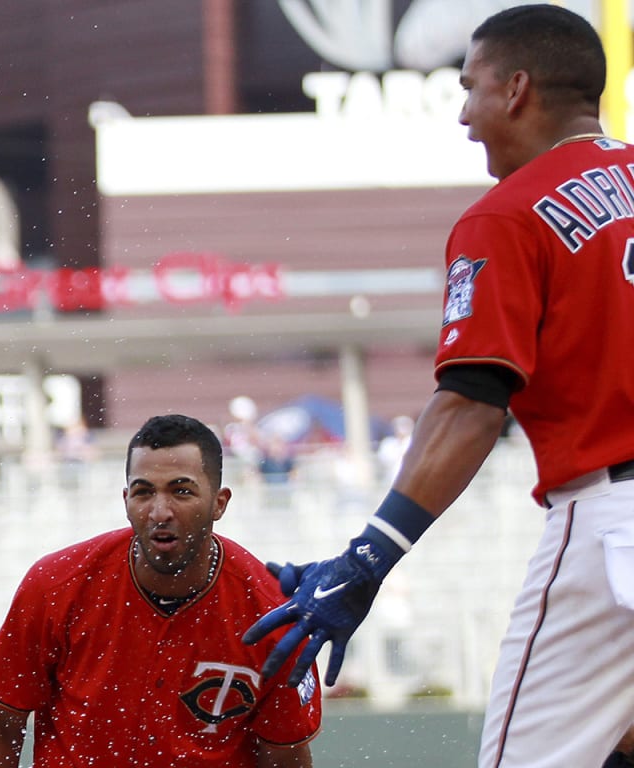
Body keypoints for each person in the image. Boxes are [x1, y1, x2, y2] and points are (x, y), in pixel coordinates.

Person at [242, 7, 634, 767]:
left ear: (516, 88)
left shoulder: (510, 214)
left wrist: (366, 560)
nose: (463, 113)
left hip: (611, 514)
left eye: (471, 87)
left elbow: (469, 406)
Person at [0, 415, 320, 768]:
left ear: (219, 503)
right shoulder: (56, 585)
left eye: (182, 491)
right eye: (143, 492)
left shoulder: (276, 617)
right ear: (125, 500)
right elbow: (0, 726)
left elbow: (284, 758)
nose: (159, 512)